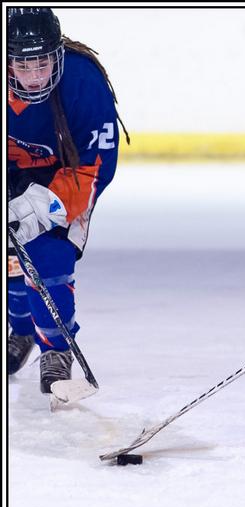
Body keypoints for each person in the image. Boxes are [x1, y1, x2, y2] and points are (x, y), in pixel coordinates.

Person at [7, 8, 128, 396]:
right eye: (24, 66)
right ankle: (21, 329)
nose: (36, 76)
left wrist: (41, 209)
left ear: (57, 55)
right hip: (10, 172)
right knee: (10, 254)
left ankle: (56, 350)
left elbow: (96, 163)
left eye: (43, 63)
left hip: (66, 177)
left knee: (49, 257)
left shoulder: (82, 80)